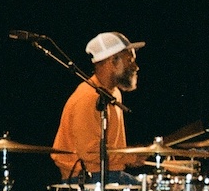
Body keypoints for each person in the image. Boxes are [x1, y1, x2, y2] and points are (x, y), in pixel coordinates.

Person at [52, 31, 146, 183]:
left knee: (146, 190)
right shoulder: (87, 97)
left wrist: (129, 156)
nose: (136, 67)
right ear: (113, 61)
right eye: (130, 60)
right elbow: (90, 152)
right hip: (85, 178)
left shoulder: (114, 93)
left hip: (109, 172)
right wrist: (129, 157)